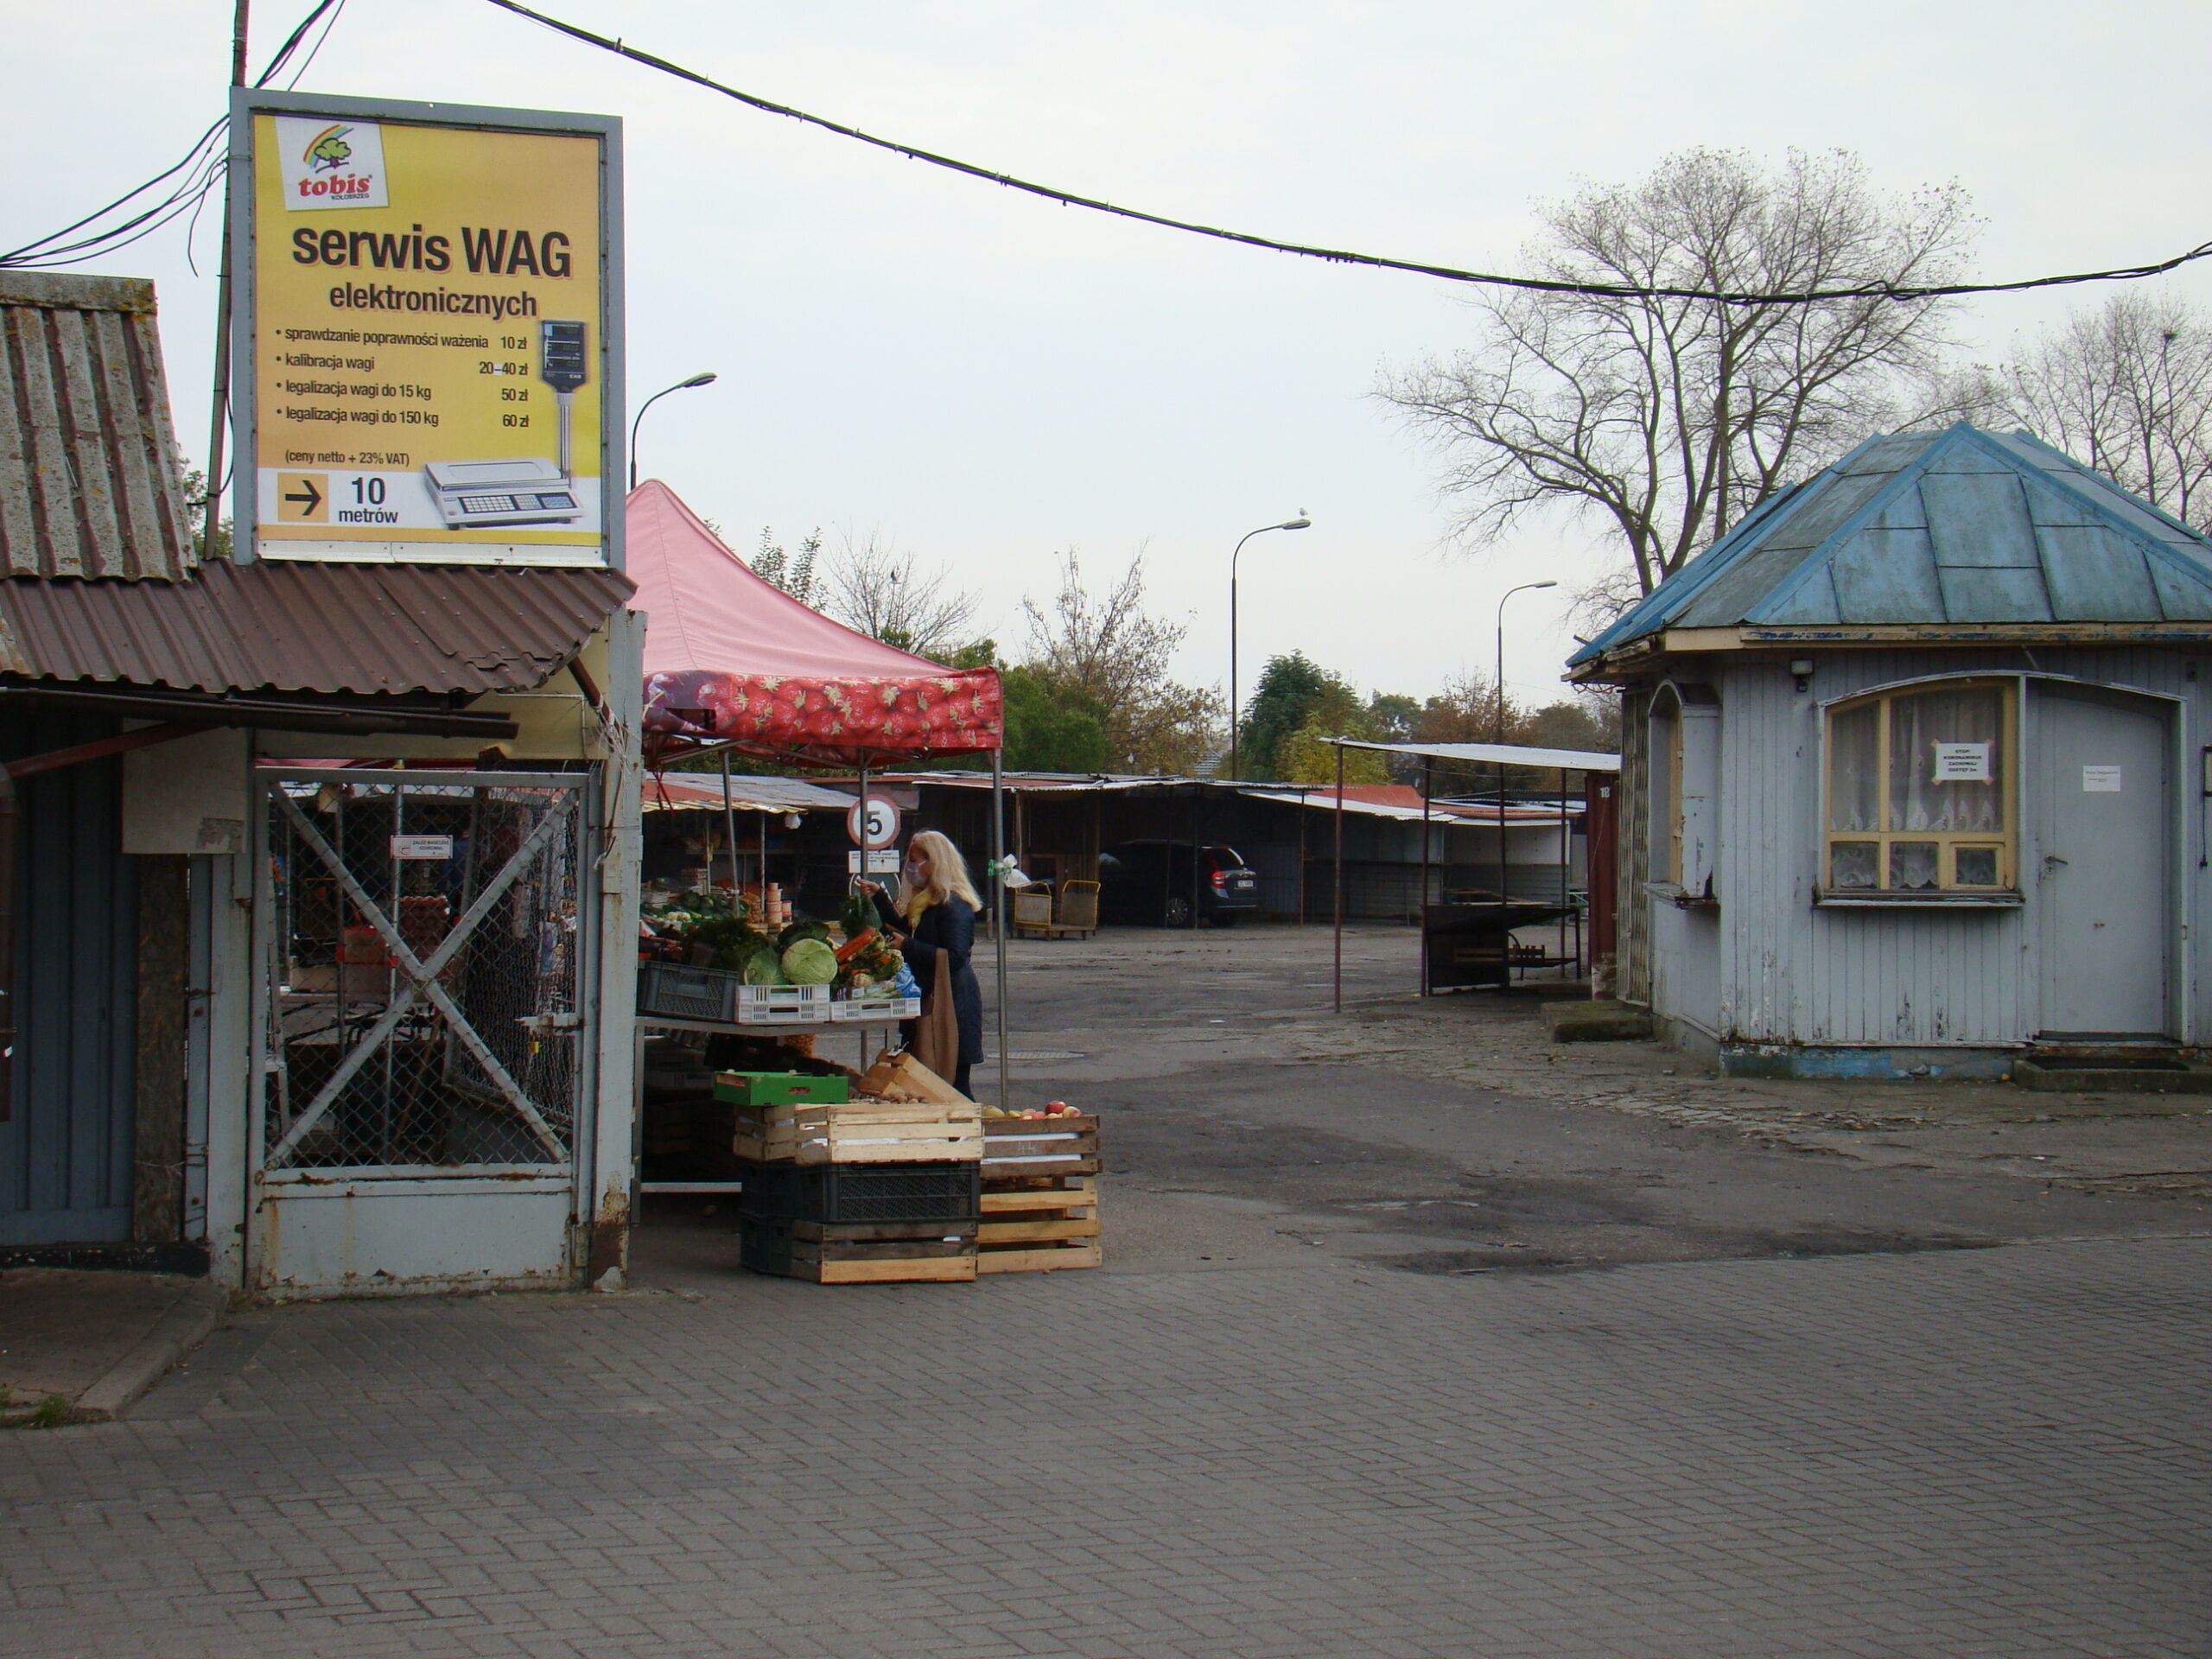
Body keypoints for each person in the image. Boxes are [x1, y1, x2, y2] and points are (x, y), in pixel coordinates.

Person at [861, 830, 985, 1096]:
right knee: (924, 1081)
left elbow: (955, 956)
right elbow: (906, 932)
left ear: (935, 863)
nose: (910, 866)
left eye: (915, 860)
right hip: (927, 1001)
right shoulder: (924, 903)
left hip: (951, 1007)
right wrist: (881, 899)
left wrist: (908, 946)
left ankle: (965, 1132)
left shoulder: (954, 906)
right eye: (909, 859)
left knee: (954, 1084)